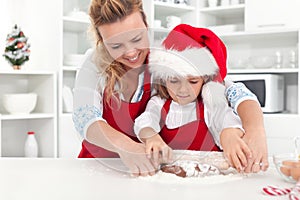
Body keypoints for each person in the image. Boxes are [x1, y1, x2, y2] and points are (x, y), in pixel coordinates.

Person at [72, 0, 268, 176]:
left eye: (137, 39)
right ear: (101, 40)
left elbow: (232, 90)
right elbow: (85, 118)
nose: (131, 52)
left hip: (146, 171)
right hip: (98, 168)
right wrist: (126, 147)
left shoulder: (165, 57)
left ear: (146, 25)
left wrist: (255, 130)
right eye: (116, 46)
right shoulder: (94, 64)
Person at [134, 25, 250, 172]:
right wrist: (151, 137)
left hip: (208, 181)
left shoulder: (209, 106)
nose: (183, 89)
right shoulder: (159, 103)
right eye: (174, 81)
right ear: (163, 79)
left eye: (193, 81)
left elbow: (226, 119)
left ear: (204, 80)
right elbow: (146, 121)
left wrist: (230, 135)